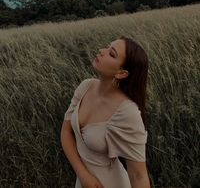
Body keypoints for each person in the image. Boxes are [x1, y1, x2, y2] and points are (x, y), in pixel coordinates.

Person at [60, 36, 151, 188]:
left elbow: (139, 175)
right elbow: (66, 132)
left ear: (121, 73)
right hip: (83, 182)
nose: (102, 51)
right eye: (107, 47)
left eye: (111, 53)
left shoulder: (127, 112)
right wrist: (83, 174)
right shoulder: (85, 87)